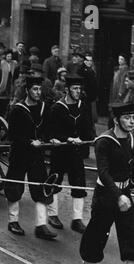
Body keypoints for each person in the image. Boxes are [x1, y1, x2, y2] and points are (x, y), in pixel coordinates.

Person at [79, 101, 134, 264]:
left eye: (133, 117)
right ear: (116, 120)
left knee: (132, 238)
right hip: (106, 196)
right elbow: (103, 172)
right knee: (95, 238)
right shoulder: (104, 141)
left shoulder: (132, 139)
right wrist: (118, 195)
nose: (132, 121)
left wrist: (129, 190)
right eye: (127, 118)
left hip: (126, 194)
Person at [4, 75, 56, 240]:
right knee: (15, 186)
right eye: (35, 89)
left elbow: (47, 129)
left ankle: (41, 226)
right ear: (27, 90)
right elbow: (12, 134)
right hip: (19, 153)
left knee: (41, 186)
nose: (38, 92)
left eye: (40, 89)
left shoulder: (43, 108)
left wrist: (50, 139)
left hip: (36, 155)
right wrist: (28, 141)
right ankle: (13, 221)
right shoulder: (17, 109)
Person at [47, 75, 93, 234]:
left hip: (75, 151)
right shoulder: (57, 107)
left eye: (80, 89)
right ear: (67, 89)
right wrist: (67, 138)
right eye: (75, 88)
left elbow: (88, 129)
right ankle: (52, 215)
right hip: (60, 150)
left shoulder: (82, 106)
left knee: (79, 181)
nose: (78, 91)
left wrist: (85, 139)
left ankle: (77, 219)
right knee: (55, 180)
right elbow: (52, 131)